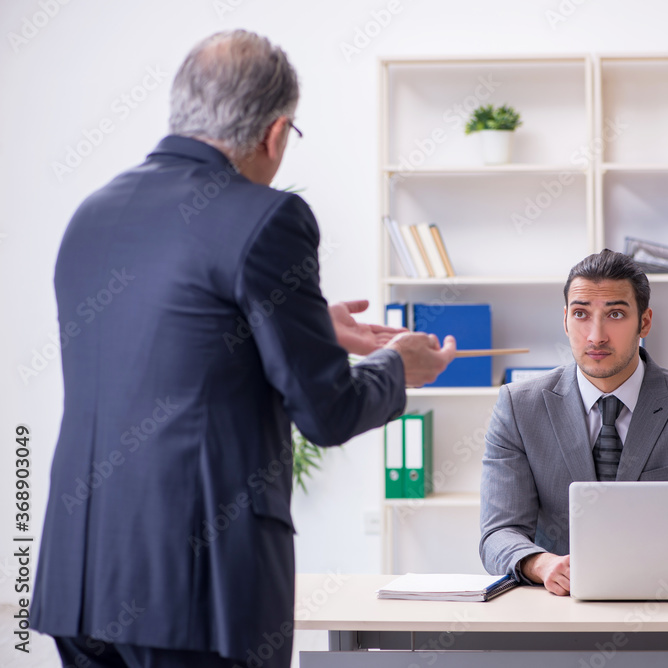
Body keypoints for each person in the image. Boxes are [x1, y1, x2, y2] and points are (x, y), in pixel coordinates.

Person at [30, 30, 455, 668]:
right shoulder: (268, 218)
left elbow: (169, 340)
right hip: (198, 592)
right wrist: (399, 366)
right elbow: (326, 412)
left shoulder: (92, 213)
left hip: (82, 577)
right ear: (276, 133)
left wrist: (308, 322)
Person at [479, 249, 668, 596]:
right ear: (565, 320)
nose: (596, 336)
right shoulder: (519, 407)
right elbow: (498, 533)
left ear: (644, 322)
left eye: (615, 314)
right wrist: (542, 564)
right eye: (581, 314)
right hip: (558, 606)